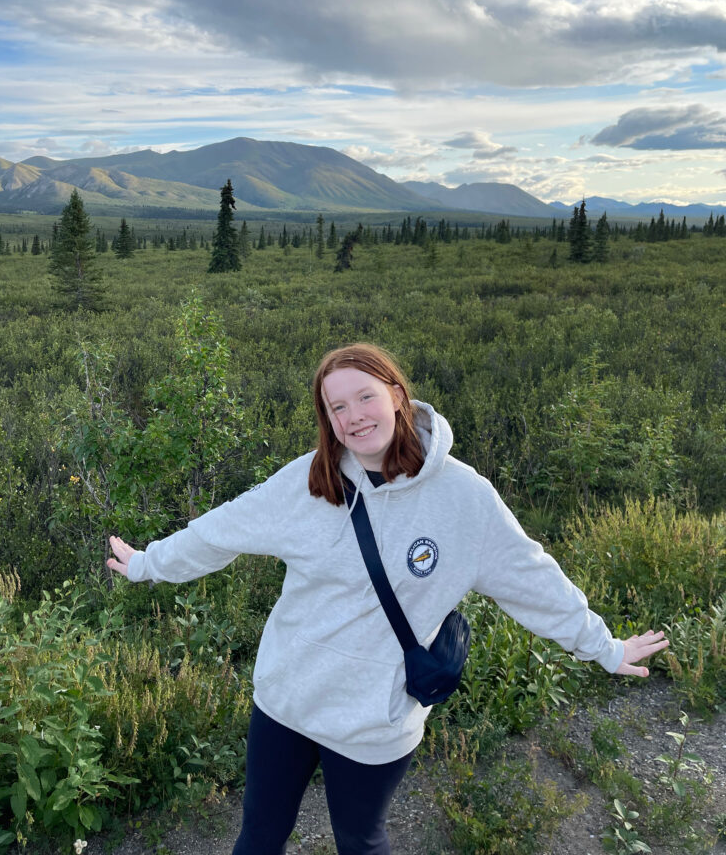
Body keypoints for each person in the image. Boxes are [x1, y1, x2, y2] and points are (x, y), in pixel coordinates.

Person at [107, 342, 668, 855]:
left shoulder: (464, 499)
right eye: (337, 408)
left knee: (360, 840)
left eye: (365, 397)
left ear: (397, 396)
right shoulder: (308, 481)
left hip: (374, 721)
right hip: (287, 702)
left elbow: (533, 579)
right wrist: (147, 563)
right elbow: (220, 530)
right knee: (259, 835)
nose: (354, 418)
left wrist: (604, 647)